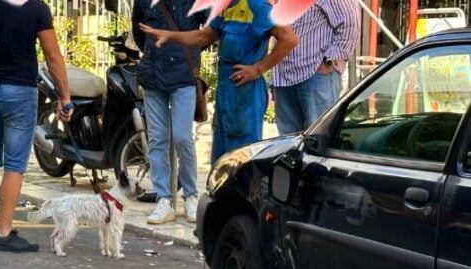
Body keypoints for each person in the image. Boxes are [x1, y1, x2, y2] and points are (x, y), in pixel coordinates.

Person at [0, 0, 72, 252]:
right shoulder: (36, 8)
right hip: (20, 92)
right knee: (15, 165)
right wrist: (64, 96)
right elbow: (52, 56)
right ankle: (4, 231)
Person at [140, 0, 298, 165]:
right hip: (226, 89)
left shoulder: (257, 5)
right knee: (222, 157)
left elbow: (290, 39)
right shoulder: (227, 7)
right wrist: (170, 35)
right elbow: (203, 36)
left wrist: (257, 69)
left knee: (242, 156)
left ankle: (244, 189)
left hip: (245, 92)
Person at [132, 0, 206, 225]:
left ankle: (191, 196)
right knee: (157, 139)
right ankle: (164, 198)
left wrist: (189, 51)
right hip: (153, 74)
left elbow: (210, 32)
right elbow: (139, 31)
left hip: (183, 75)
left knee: (183, 137)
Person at [271, 0, 360, 135]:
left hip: (315, 74)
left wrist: (329, 61)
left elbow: (351, 23)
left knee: (319, 138)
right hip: (283, 76)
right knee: (287, 143)